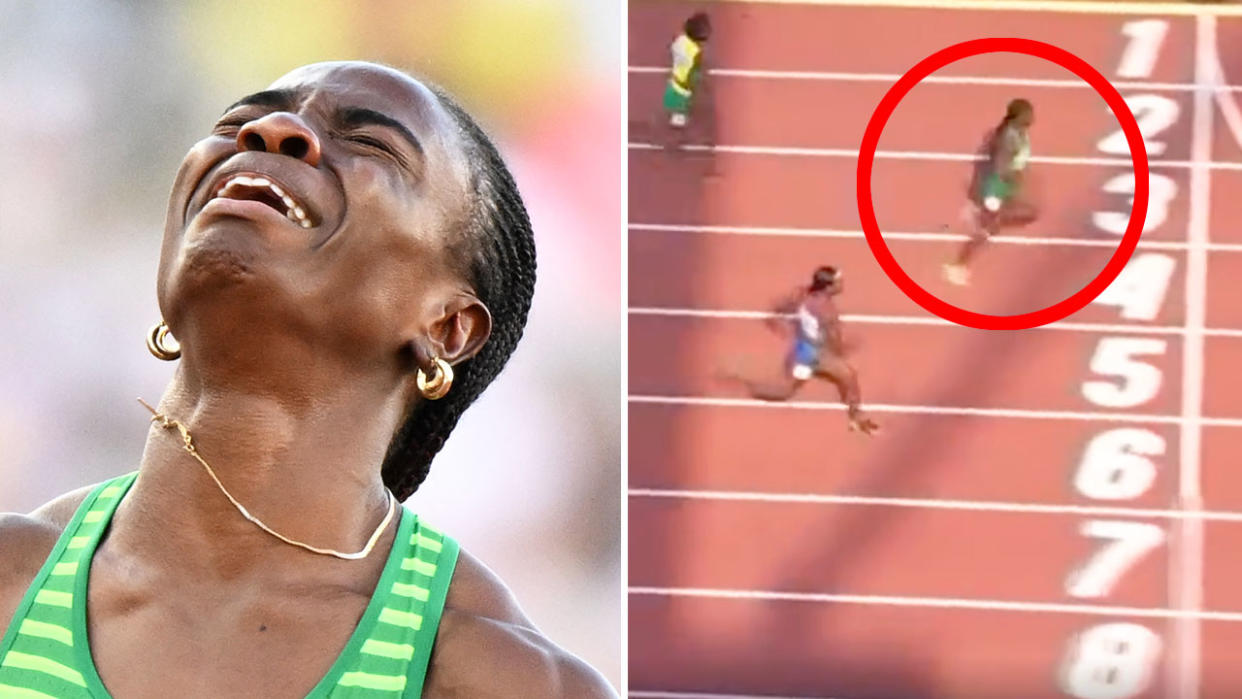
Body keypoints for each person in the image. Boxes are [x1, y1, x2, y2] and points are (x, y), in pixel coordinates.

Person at [0, 61, 616, 698]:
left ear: (448, 327)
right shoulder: (9, 584)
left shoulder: (501, 680)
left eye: (371, 143)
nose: (273, 131)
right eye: (238, 123)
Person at [719, 267, 880, 436]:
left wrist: (780, 326)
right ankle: (747, 387)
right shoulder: (827, 311)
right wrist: (847, 347)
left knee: (845, 377)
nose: (842, 284)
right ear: (828, 287)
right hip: (814, 355)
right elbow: (834, 343)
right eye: (838, 281)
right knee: (788, 391)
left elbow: (778, 309)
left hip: (803, 350)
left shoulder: (802, 294)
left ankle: (856, 417)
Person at [943, 98, 1038, 286]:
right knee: (987, 230)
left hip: (1002, 186)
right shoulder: (1009, 138)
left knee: (1024, 215)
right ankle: (957, 265)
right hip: (995, 188)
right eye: (1028, 113)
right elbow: (1001, 166)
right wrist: (1003, 186)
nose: (1032, 117)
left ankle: (981, 217)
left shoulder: (1017, 133)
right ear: (1018, 116)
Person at [659, 12, 712, 150]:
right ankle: (673, 142)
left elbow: (672, 50)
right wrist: (697, 83)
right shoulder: (696, 52)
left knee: (676, 114)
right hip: (683, 89)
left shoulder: (680, 40)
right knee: (680, 117)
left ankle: (672, 134)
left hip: (673, 82)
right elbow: (694, 72)